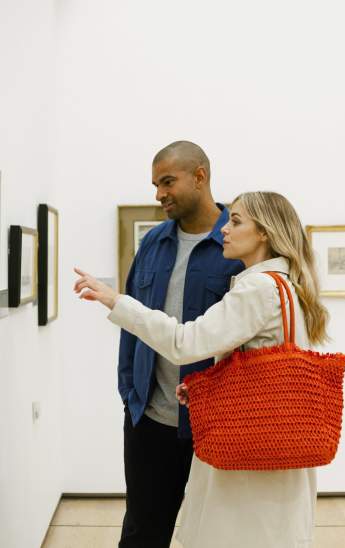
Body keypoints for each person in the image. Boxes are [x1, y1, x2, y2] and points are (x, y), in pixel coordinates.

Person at [74, 191, 329, 548]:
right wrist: (209, 384)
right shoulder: (286, 287)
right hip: (276, 453)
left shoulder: (256, 289)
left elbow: (184, 343)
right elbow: (258, 361)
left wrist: (115, 300)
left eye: (237, 221)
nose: (225, 228)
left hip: (248, 457)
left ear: (264, 234)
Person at [111, 141, 243, 548]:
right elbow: (133, 322)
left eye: (167, 181)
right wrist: (129, 392)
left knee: (216, 535)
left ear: (200, 176)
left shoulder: (238, 246)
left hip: (216, 422)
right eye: (155, 184)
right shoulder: (153, 243)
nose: (158, 194)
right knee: (141, 533)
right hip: (150, 420)